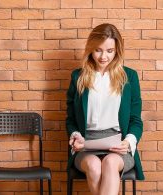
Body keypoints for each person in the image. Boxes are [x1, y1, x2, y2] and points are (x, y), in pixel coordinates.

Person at [66, 23, 144, 195]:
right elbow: (71, 119)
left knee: (109, 164)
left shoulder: (129, 76)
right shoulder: (78, 76)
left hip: (117, 144)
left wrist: (129, 142)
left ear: (117, 50)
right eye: (98, 50)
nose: (103, 57)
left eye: (110, 51)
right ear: (90, 49)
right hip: (86, 144)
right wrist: (75, 135)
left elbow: (135, 119)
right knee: (94, 166)